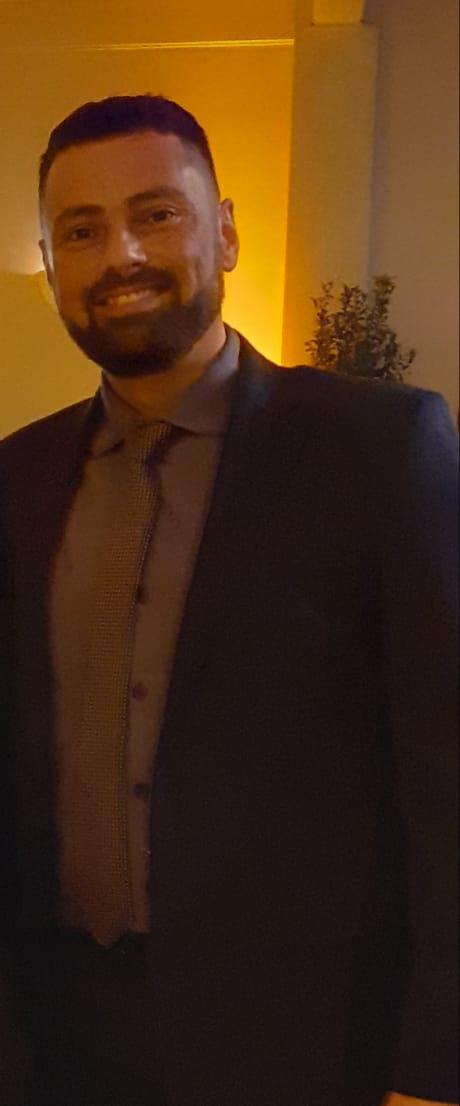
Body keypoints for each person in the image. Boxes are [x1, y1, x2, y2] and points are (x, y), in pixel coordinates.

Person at [0, 94, 457, 1106]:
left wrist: (436, 1066)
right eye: (81, 231)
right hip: (59, 1047)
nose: (120, 254)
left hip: (304, 1049)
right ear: (52, 265)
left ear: (228, 232)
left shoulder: (378, 452)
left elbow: (447, 779)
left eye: (155, 213)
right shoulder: (16, 480)